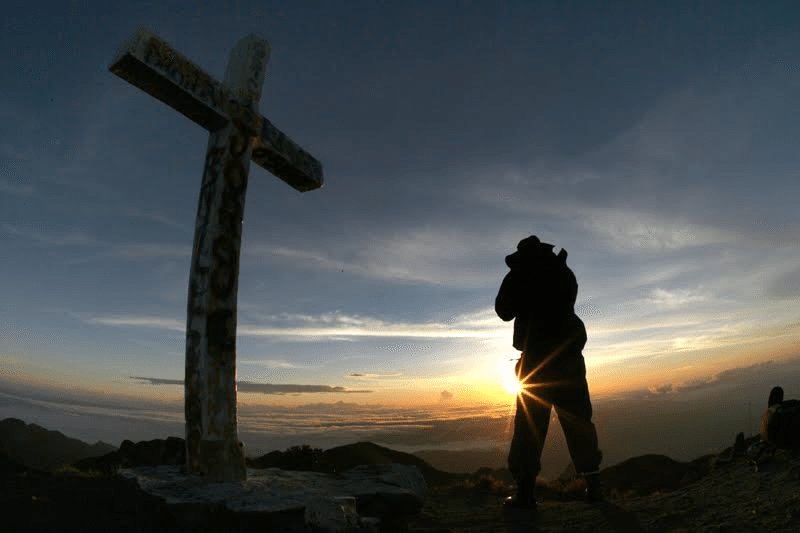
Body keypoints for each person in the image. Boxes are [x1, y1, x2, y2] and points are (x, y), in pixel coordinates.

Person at [495, 235, 602, 510]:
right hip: (568, 358)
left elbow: (503, 310)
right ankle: (594, 488)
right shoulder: (562, 270)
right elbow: (568, 300)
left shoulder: (520, 274)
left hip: (536, 363)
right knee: (579, 421)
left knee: (529, 427)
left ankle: (525, 494)